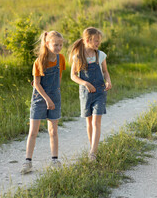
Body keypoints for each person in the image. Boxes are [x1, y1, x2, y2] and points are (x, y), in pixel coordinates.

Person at [21, 31, 66, 174]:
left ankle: (54, 160)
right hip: (40, 98)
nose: (58, 47)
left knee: (53, 131)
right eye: (55, 44)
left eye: (60, 45)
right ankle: (27, 162)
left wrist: (54, 97)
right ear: (47, 44)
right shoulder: (39, 61)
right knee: (33, 131)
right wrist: (47, 99)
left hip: (55, 97)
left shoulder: (61, 59)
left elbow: (59, 79)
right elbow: (37, 84)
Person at [69, 27, 112, 161]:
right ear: (87, 40)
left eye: (99, 41)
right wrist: (85, 83)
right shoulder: (78, 56)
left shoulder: (101, 55)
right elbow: (73, 76)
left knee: (96, 122)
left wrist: (108, 81)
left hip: (100, 92)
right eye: (96, 41)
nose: (98, 44)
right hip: (86, 93)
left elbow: (105, 71)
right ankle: (92, 147)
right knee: (89, 122)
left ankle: (93, 152)